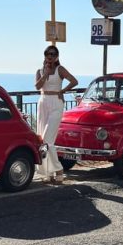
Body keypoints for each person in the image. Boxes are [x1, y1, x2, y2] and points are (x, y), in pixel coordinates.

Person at [35, 45, 78, 184]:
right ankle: (48, 173)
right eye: (48, 53)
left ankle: (58, 170)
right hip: (43, 102)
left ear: (57, 57)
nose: (50, 56)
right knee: (42, 141)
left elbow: (74, 81)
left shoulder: (60, 69)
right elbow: (37, 86)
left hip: (56, 102)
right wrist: (45, 74)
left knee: (48, 140)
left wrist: (63, 90)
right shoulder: (40, 71)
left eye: (53, 54)